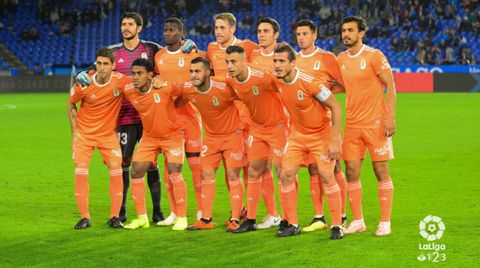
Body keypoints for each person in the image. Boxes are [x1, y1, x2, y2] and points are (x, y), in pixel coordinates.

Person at [75, 12, 195, 224]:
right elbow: (97, 70)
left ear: (139, 27)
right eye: (123, 24)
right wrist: (82, 73)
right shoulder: (113, 51)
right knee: (126, 162)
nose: (126, 27)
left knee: (152, 165)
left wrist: (189, 45)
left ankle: (157, 211)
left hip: (151, 114)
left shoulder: (151, 48)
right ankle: (120, 213)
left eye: (130, 24)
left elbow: (171, 55)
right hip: (124, 116)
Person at [273, 45, 344, 240]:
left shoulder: (310, 83)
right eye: (275, 61)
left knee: (326, 174)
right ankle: (293, 223)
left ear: (293, 63)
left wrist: (335, 138)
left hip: (322, 134)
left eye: (281, 62)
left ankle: (337, 225)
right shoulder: (277, 81)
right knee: (286, 173)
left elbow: (335, 107)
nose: (277, 65)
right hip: (297, 136)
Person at [337, 16, 396, 236]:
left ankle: (385, 221)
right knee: (351, 171)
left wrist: (390, 117)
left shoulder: (374, 55)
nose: (346, 34)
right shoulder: (340, 59)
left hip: (376, 124)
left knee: (380, 170)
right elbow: (340, 86)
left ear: (361, 33)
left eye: (350, 30)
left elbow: (390, 84)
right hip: (352, 125)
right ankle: (358, 221)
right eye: (343, 30)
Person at [174, 57, 245, 232]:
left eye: (197, 71)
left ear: (208, 72)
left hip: (232, 136)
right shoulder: (189, 89)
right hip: (211, 139)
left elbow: (246, 96)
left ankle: (236, 217)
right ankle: (206, 219)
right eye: (191, 71)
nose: (193, 75)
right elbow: (177, 103)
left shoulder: (223, 87)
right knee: (206, 175)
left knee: (233, 175)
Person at [68, 47, 132, 229]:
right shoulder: (84, 82)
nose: (101, 68)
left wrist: (156, 79)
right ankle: (84, 217)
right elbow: (71, 103)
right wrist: (74, 133)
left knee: (116, 170)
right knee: (81, 172)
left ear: (113, 66)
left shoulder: (121, 81)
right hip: (84, 135)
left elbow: (141, 82)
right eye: (99, 64)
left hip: (107, 135)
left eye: (105, 64)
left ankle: (114, 216)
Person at [225, 45, 287, 233]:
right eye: (227, 62)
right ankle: (250, 220)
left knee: (283, 172)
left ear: (245, 62)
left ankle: (287, 220)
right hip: (257, 130)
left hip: (277, 127)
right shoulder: (231, 81)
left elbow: (287, 88)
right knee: (254, 171)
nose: (229, 65)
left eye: (234, 61)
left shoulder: (263, 77)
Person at [294, 19, 347, 232]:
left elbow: (342, 83)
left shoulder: (326, 58)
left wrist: (324, 97)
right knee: (313, 169)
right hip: (304, 125)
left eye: (305, 34)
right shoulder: (294, 60)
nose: (301, 38)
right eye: (298, 34)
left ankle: (342, 215)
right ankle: (319, 217)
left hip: (326, 122)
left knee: (334, 167)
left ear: (314, 35)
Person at [122, 58, 188, 231]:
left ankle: (182, 217)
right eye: (133, 73)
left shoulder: (164, 87)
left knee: (174, 171)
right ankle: (142, 218)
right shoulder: (129, 89)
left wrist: (176, 104)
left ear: (150, 75)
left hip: (172, 136)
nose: (135, 77)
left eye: (139, 73)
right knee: (136, 171)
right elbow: (110, 78)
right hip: (150, 137)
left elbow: (184, 91)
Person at [152, 17, 205, 226]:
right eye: (165, 29)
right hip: (168, 119)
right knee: (170, 168)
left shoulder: (191, 53)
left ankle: (202, 210)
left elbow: (202, 76)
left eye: (171, 29)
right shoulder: (159, 56)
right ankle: (174, 212)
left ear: (181, 33)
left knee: (196, 167)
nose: (166, 32)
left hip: (190, 117)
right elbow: (156, 81)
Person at [246, 17, 283, 229]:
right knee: (260, 168)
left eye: (266, 31)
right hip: (257, 122)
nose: (261, 34)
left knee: (282, 170)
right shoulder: (254, 54)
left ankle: (288, 216)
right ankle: (272, 214)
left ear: (276, 35)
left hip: (280, 121)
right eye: (259, 30)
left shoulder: (282, 55)